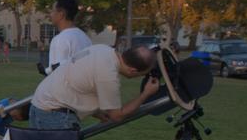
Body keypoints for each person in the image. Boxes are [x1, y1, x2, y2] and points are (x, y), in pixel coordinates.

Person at [29, 44, 159, 131]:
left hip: (40, 105)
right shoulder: (109, 76)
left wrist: (97, 113)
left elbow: (80, 82)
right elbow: (117, 116)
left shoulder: (102, 49)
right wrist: (145, 94)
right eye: (142, 74)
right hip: (55, 115)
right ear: (133, 71)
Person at [43, 0, 92, 75]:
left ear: (61, 14)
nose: (50, 14)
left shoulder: (60, 39)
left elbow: (58, 73)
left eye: (52, 10)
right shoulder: (85, 38)